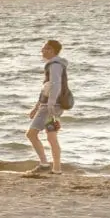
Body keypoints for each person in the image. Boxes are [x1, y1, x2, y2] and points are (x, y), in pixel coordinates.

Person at [28, 38, 70, 173]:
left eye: (45, 48)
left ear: (51, 50)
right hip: (53, 105)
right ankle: (56, 169)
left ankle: (44, 164)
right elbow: (46, 88)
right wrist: (36, 107)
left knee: (31, 134)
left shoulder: (55, 65)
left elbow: (55, 84)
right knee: (51, 137)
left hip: (50, 106)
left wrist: (50, 104)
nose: (42, 50)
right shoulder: (56, 64)